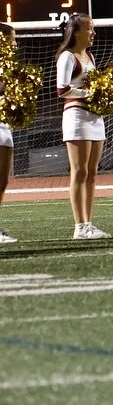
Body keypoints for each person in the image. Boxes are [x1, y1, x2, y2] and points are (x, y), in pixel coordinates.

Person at [56, 13, 106, 239]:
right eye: (89, 29)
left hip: (95, 117)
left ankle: (89, 223)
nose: (93, 32)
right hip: (76, 115)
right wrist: (89, 93)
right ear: (76, 32)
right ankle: (80, 226)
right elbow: (62, 89)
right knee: (79, 171)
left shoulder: (90, 56)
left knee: (92, 173)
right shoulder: (67, 57)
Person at [0, 21, 16, 243]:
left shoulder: (8, 64)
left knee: (3, 179)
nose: (15, 43)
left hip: (4, 123)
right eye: (12, 39)